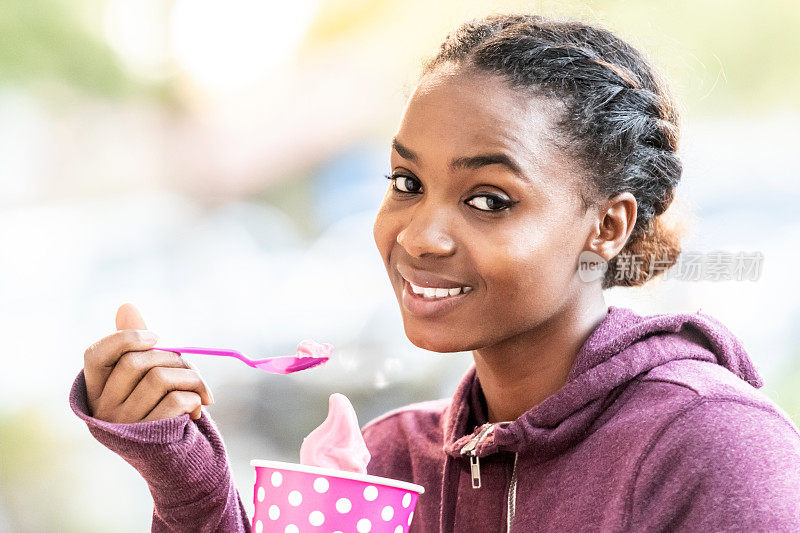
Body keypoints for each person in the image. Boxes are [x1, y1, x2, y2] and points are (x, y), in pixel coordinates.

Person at [69, 13, 800, 532]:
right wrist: (187, 481)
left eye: (488, 199)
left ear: (606, 226)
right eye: (407, 183)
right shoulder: (388, 463)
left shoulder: (711, 447)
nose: (419, 234)